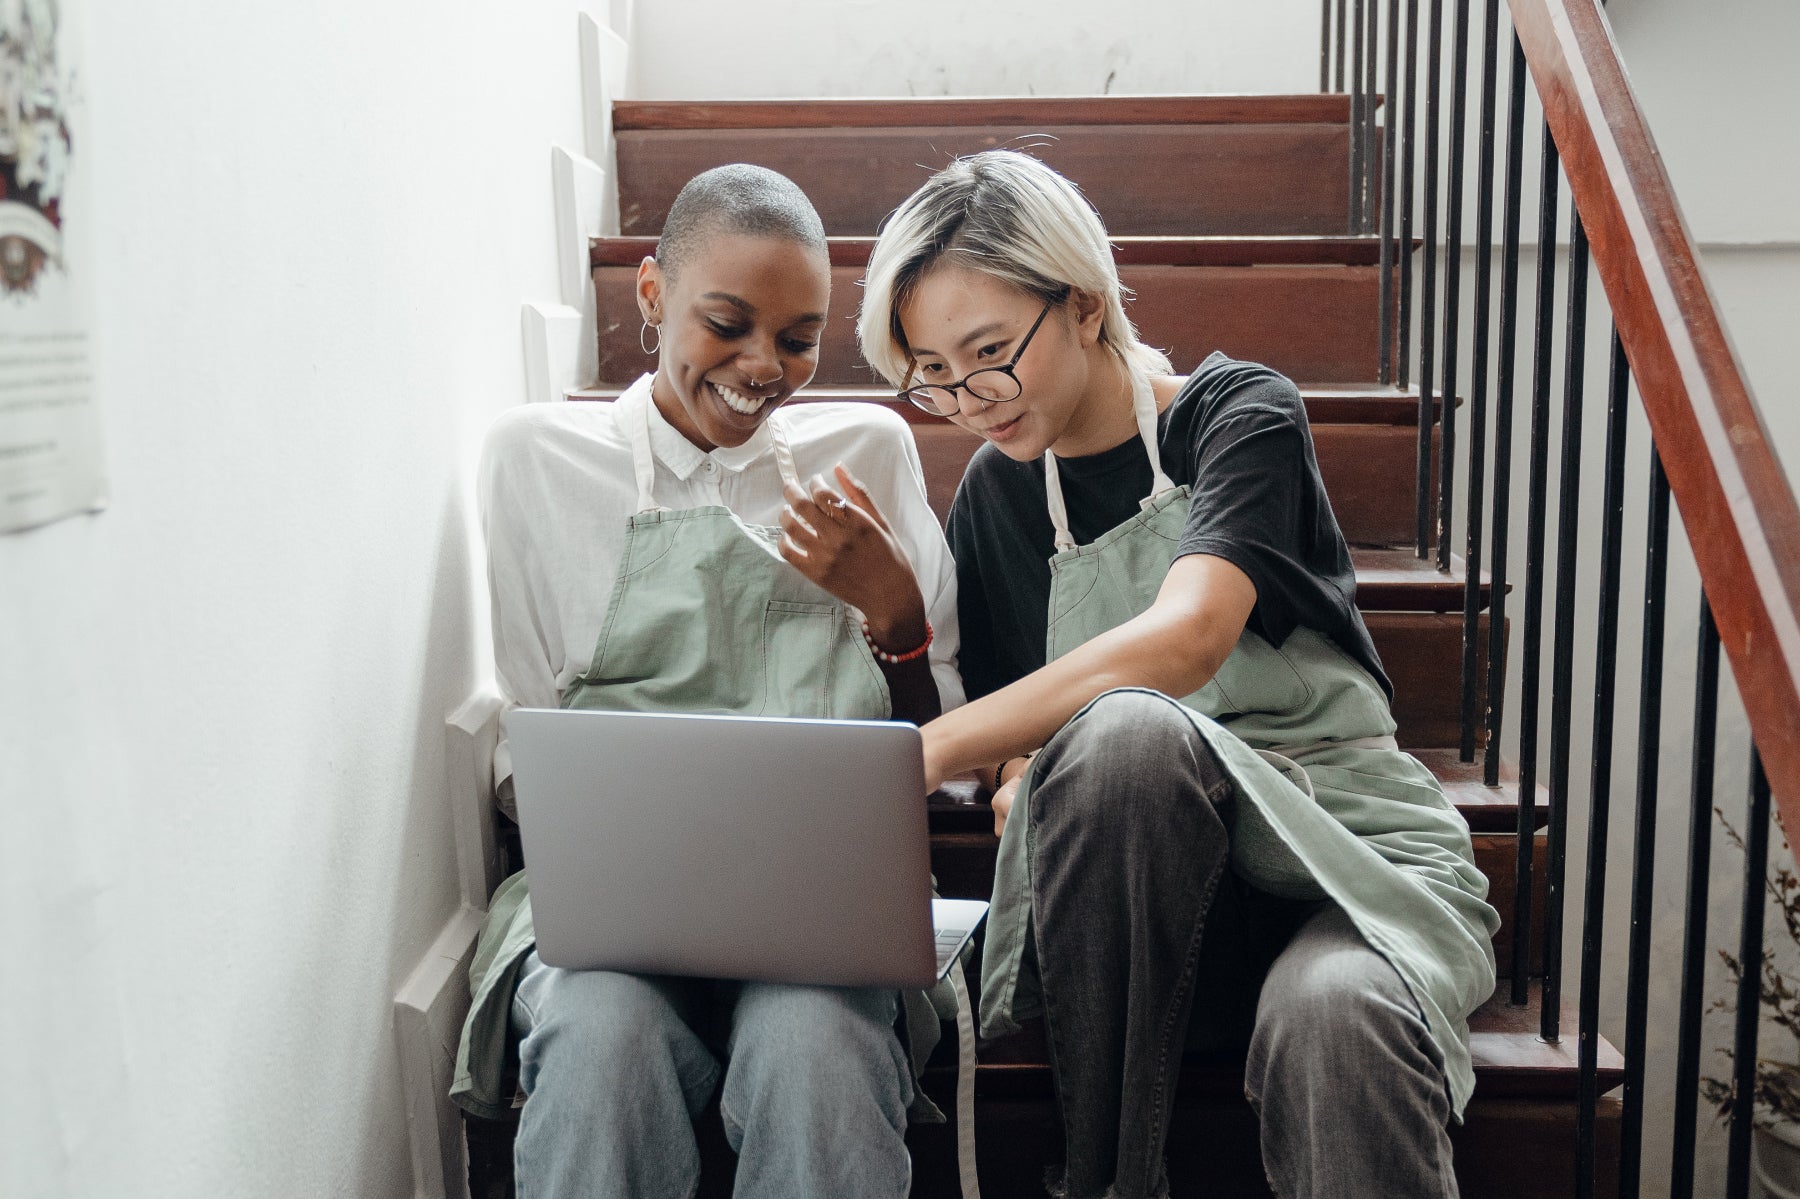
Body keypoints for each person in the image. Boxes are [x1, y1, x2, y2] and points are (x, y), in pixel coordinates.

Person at [857, 149, 1500, 1199]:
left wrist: (926, 751)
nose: (969, 398)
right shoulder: (1001, 496)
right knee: (1119, 746)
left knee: (1337, 1016)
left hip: (1345, 866)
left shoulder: (1239, 413)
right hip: (1149, 920)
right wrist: (1027, 776)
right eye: (931, 370)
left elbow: (1189, 635)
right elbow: (1038, 738)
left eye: (987, 352)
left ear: (1083, 303)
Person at [449, 163, 965, 1199]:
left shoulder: (867, 450)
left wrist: (899, 625)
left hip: (825, 918)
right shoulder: (534, 462)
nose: (762, 365)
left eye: (799, 336)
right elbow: (525, 757)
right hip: (604, 923)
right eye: (726, 323)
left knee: (816, 1045)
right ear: (649, 296)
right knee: (599, 1038)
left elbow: (946, 752)